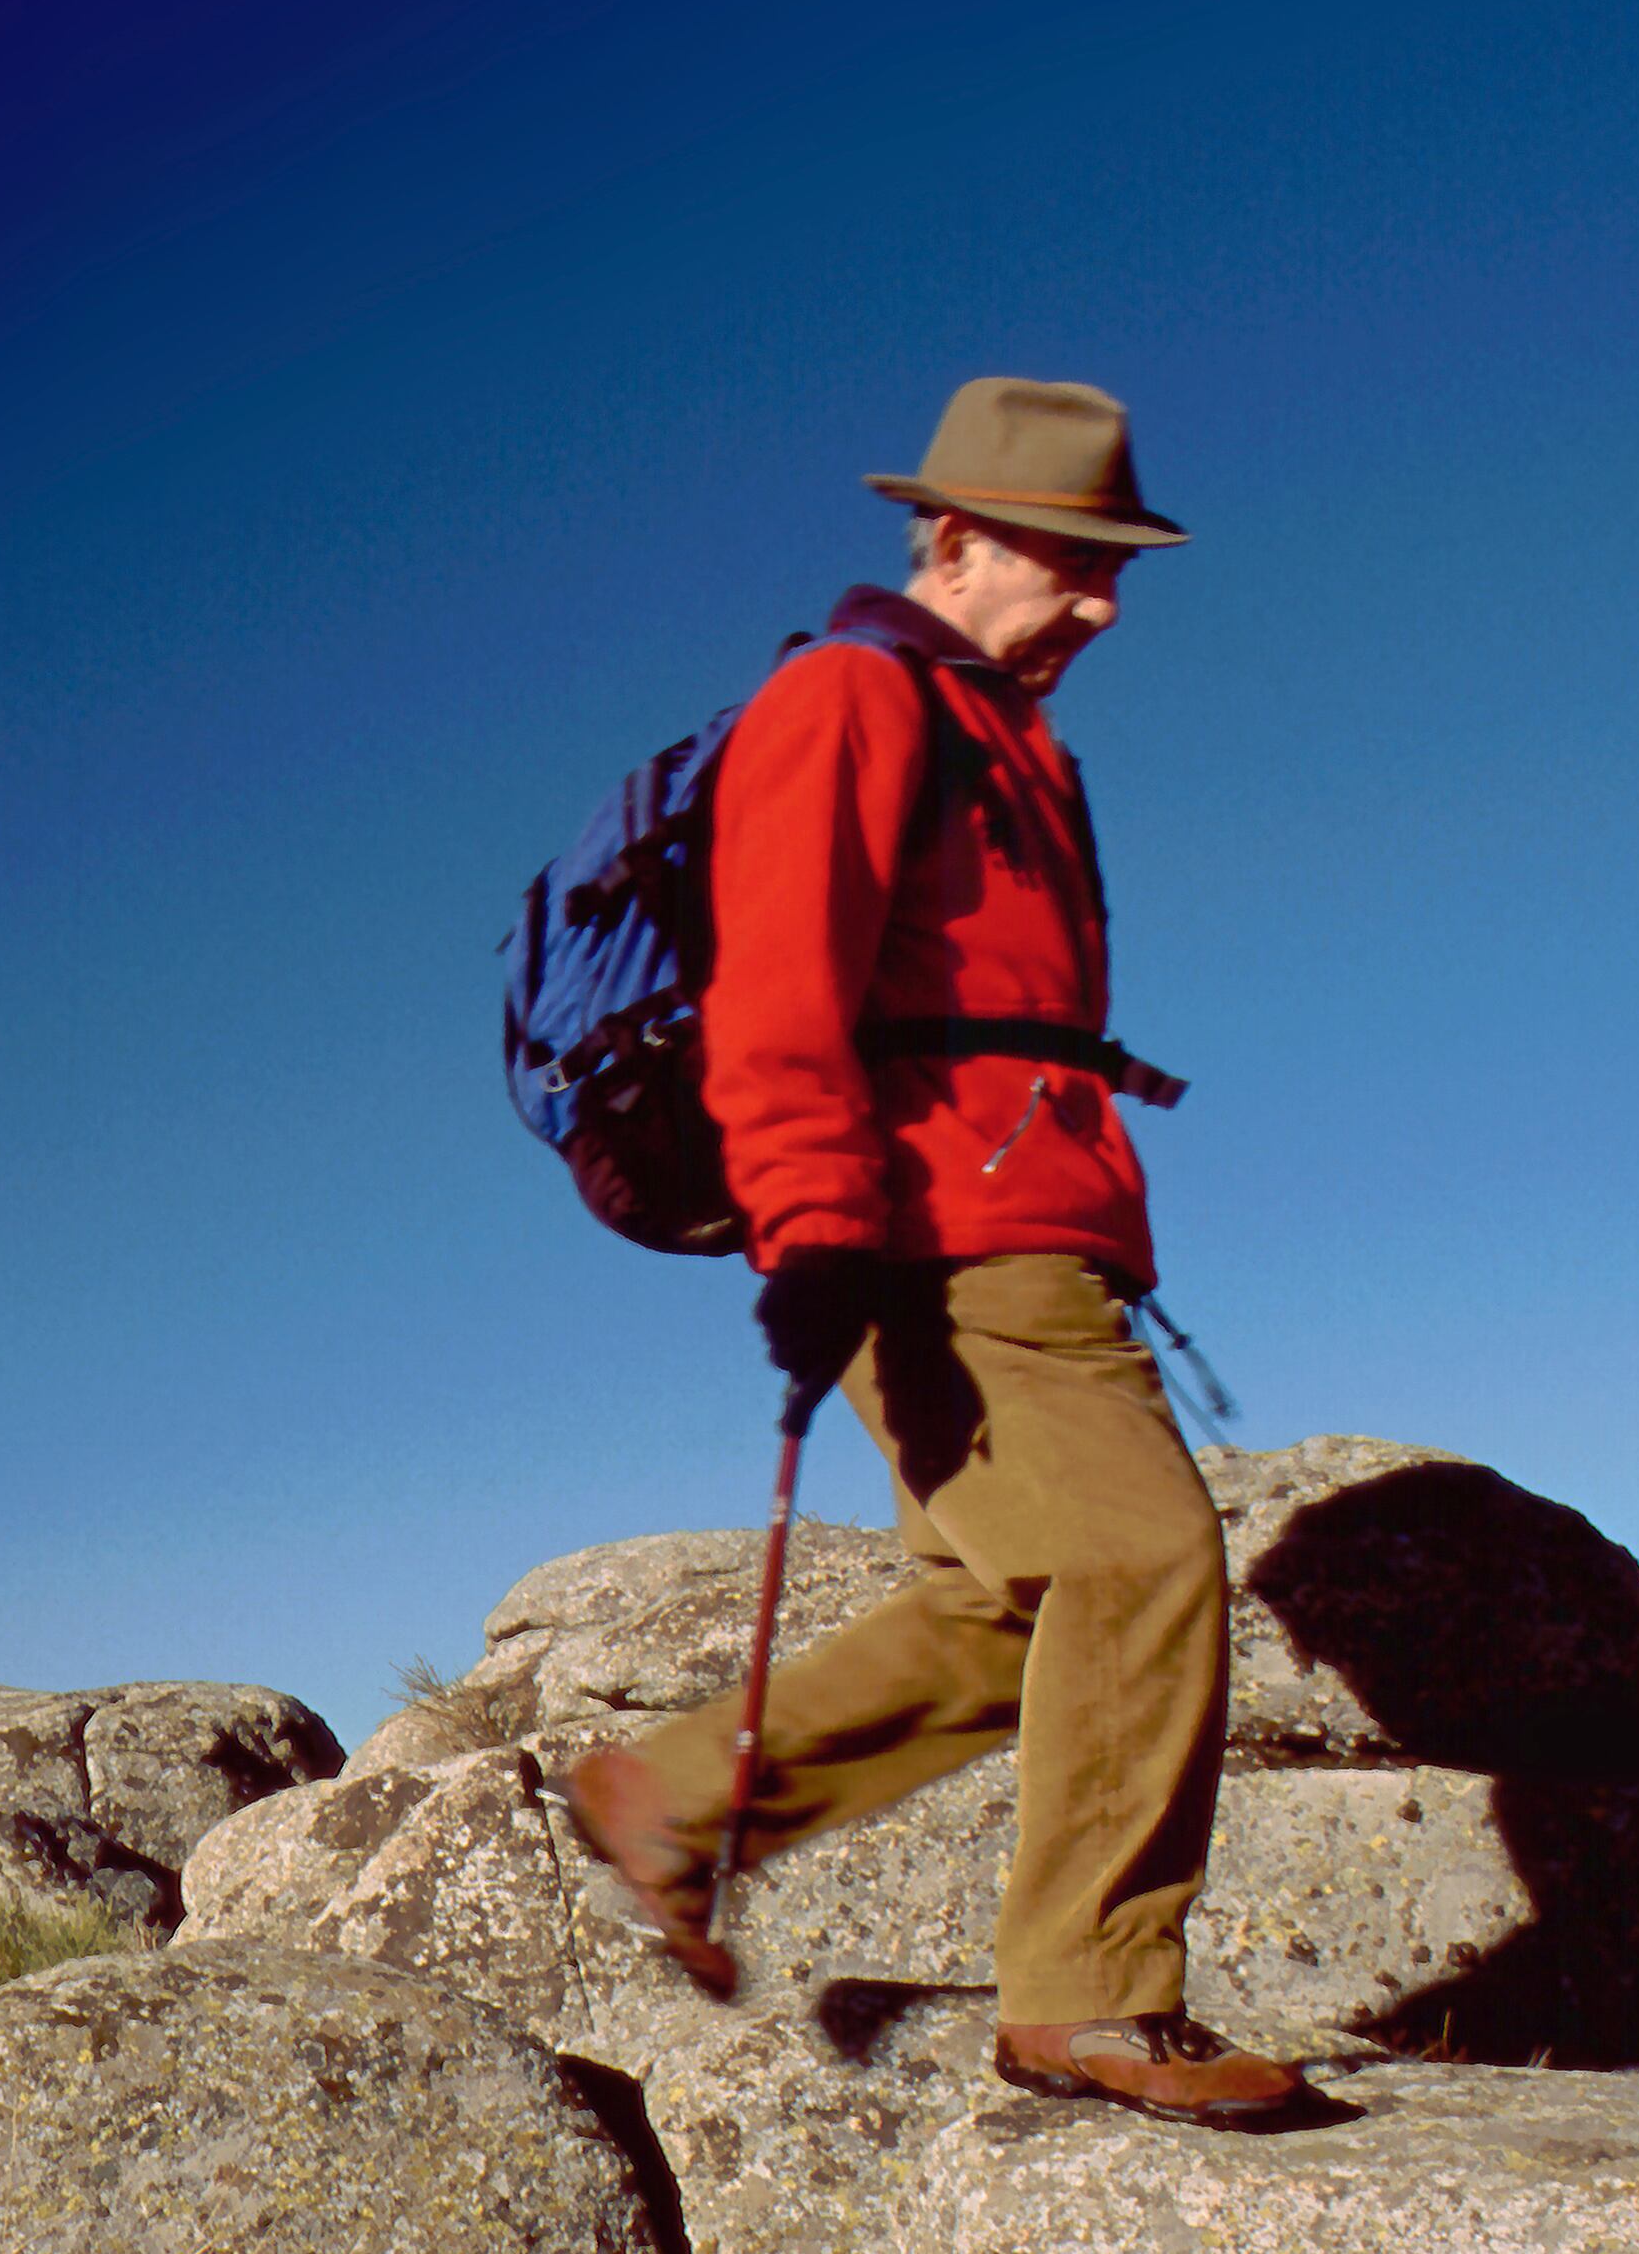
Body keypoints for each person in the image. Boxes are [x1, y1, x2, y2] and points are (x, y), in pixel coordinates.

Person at [557, 376, 1305, 2131]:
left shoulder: (1003, 732)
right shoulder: (853, 697)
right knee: (1139, 1566)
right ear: (958, 541)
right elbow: (779, 980)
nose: (1107, 603)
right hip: (940, 1234)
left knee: (1010, 1606)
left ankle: (676, 1797)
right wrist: (813, 1224)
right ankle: (1094, 2001)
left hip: (1024, 1219)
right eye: (1076, 560)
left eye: (1121, 569)